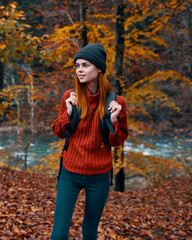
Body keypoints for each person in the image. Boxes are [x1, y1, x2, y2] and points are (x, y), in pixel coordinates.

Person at [50, 43, 129, 240]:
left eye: (85, 65)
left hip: (99, 176)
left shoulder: (117, 102)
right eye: (77, 66)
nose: (79, 70)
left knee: (90, 232)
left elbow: (118, 140)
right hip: (69, 173)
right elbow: (59, 132)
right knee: (58, 234)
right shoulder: (70, 97)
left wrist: (113, 121)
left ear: (99, 68)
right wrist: (67, 114)